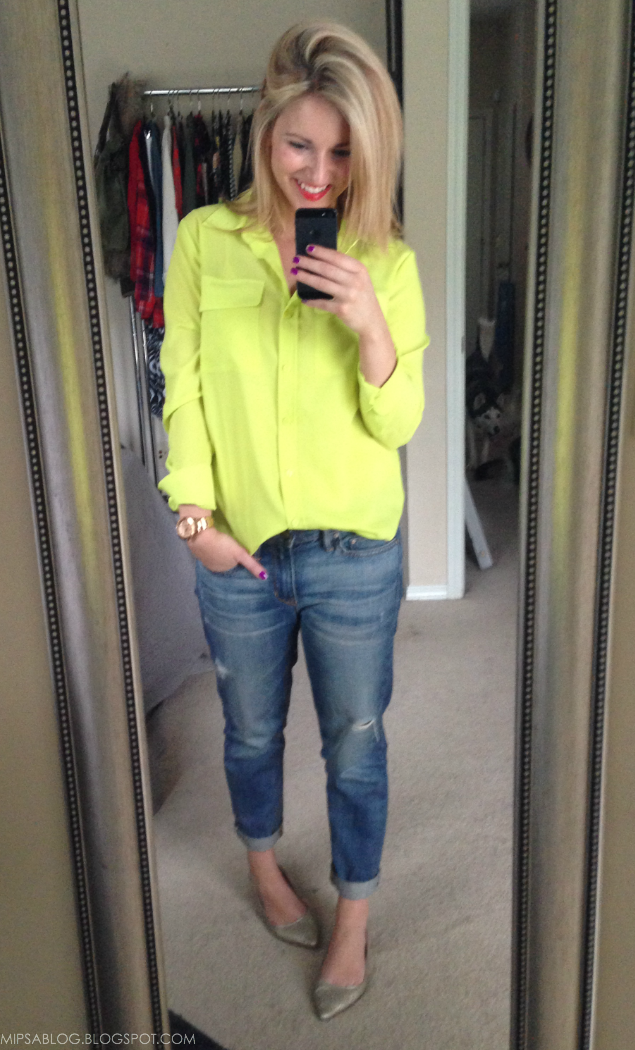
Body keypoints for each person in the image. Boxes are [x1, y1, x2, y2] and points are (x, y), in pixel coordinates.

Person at [159, 20, 427, 1021]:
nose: (318, 173)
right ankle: (265, 868)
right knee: (249, 730)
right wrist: (193, 517)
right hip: (240, 548)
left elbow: (396, 422)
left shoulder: (386, 260)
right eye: (299, 144)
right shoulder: (203, 241)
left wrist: (368, 325)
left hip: (356, 548)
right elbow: (181, 386)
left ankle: (353, 914)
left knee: (355, 738)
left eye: (344, 152)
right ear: (265, 131)